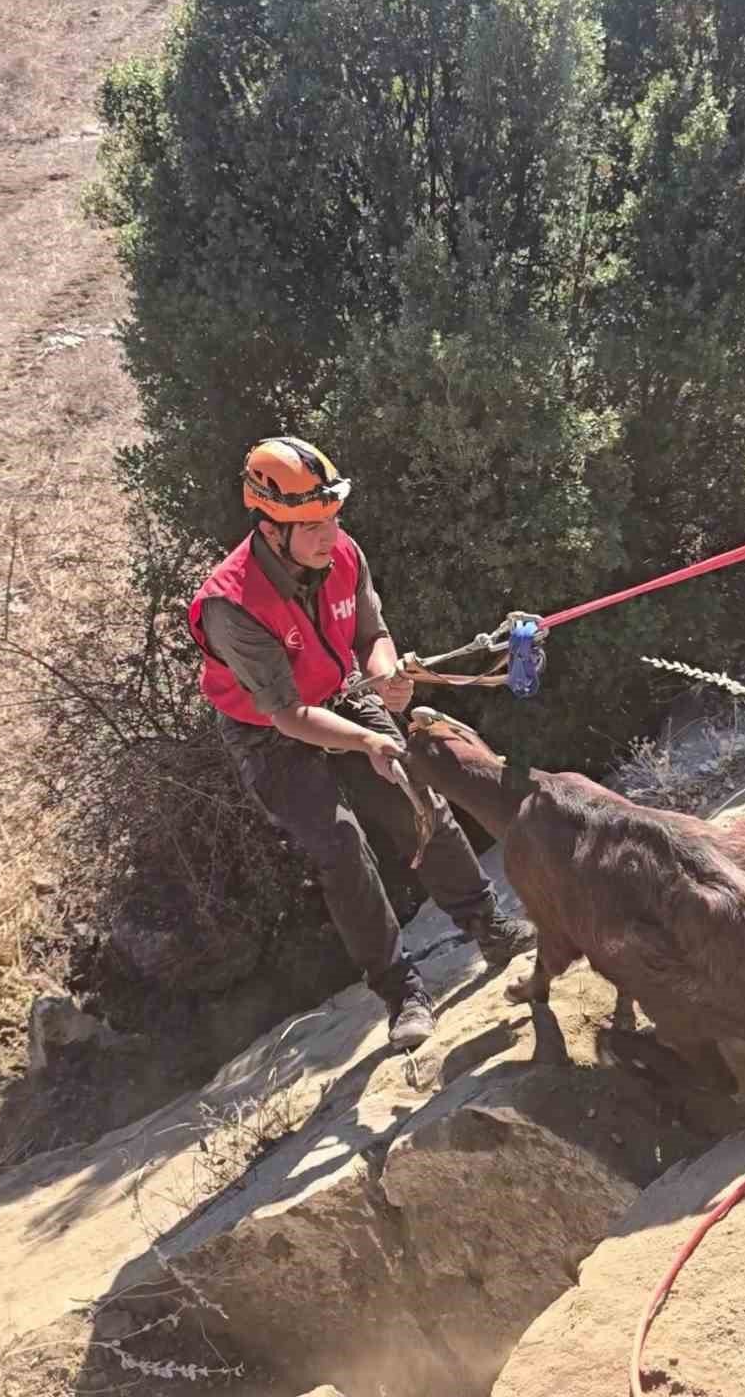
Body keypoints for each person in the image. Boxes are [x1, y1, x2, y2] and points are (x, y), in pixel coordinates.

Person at [187, 437, 535, 1051]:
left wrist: (390, 673)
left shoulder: (341, 553)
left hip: (343, 692)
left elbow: (372, 630)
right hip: (271, 731)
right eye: (312, 524)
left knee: (417, 803)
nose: (330, 535)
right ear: (271, 530)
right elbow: (290, 714)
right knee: (340, 847)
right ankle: (403, 994)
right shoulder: (231, 605)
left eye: (332, 518)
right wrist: (371, 740)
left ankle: (489, 926)